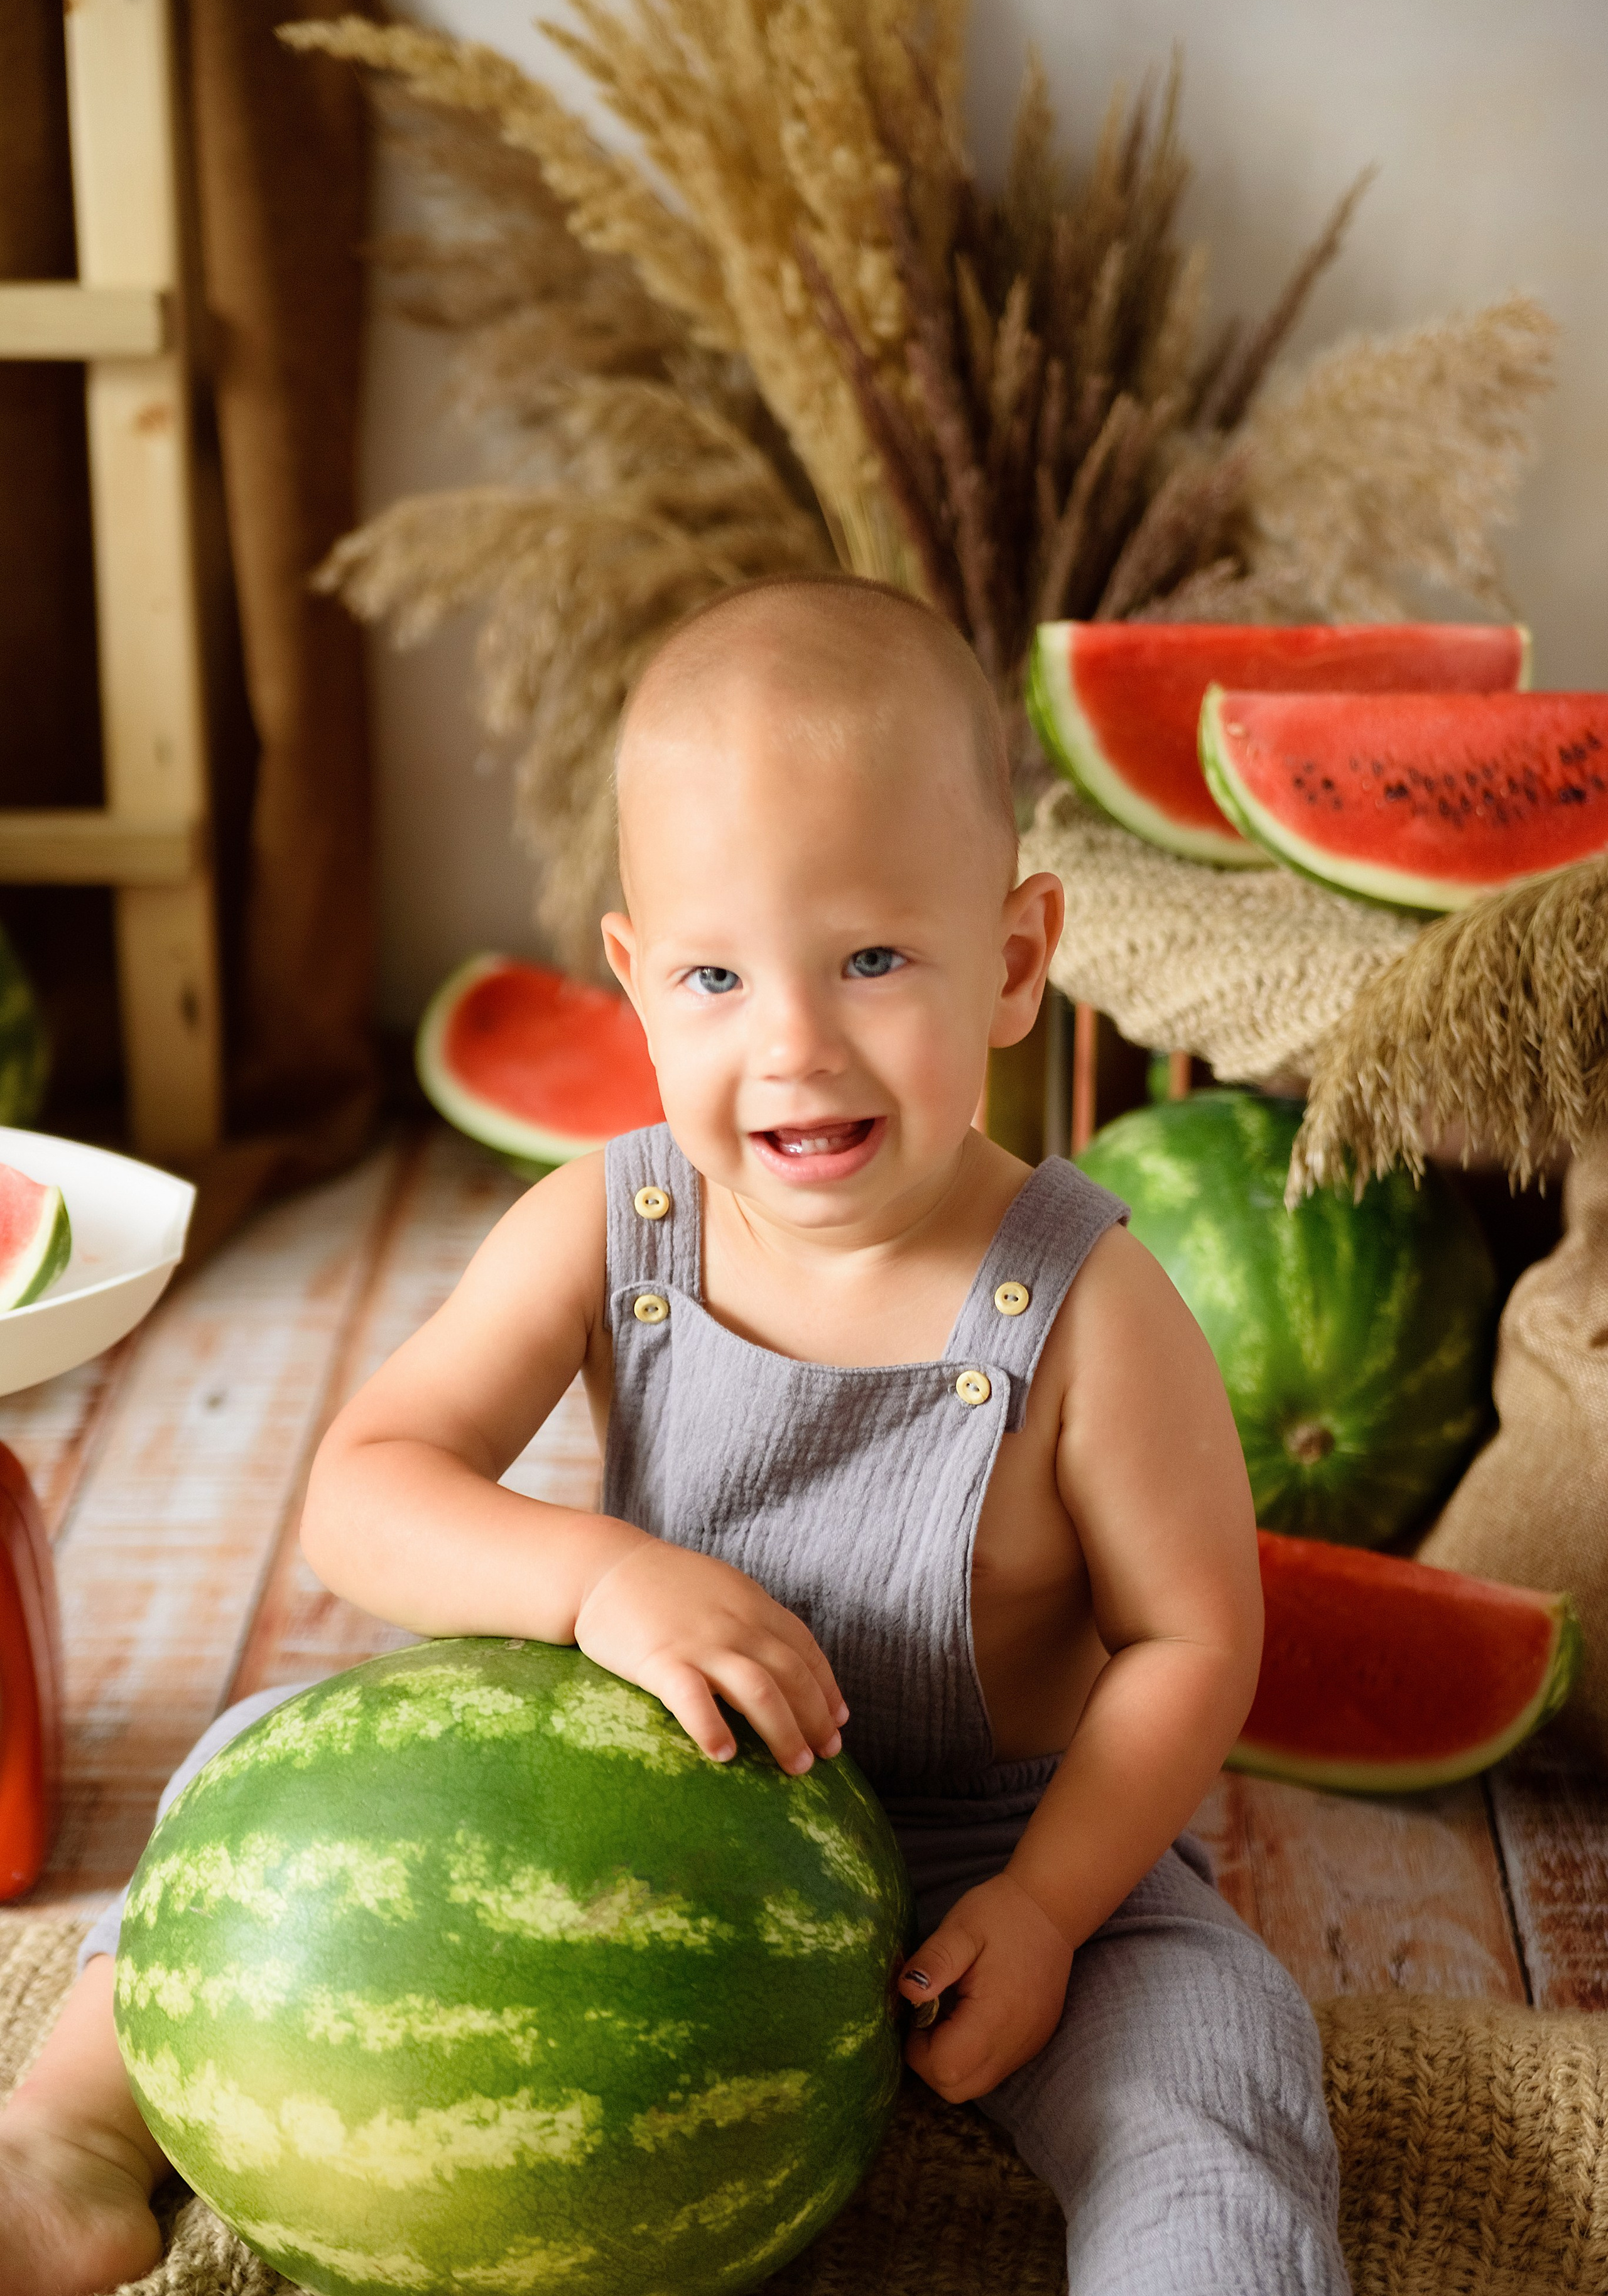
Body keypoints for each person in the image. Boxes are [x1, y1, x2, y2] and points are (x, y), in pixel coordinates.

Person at [0, 575, 1349, 2296]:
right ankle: (72, 2138)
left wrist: (1055, 1905)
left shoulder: (1085, 1302)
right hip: (647, 1819)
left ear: (1013, 961)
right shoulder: (605, 1227)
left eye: (872, 958)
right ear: (637, 980)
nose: (792, 1043)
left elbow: (1194, 1634)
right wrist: (596, 1578)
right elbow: (363, 1487)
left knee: (1216, 2066)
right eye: (717, 973)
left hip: (1008, 1841)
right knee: (243, 1783)